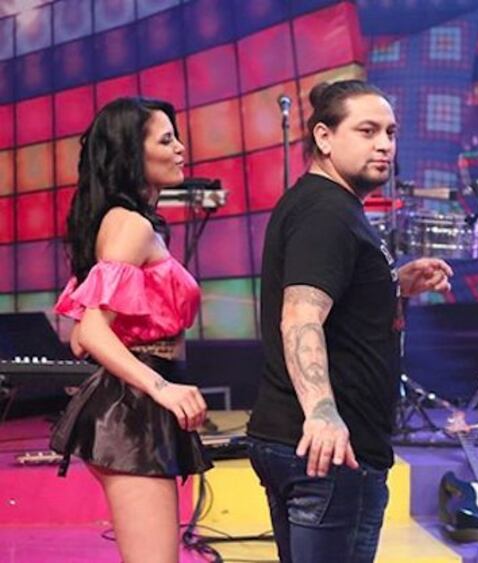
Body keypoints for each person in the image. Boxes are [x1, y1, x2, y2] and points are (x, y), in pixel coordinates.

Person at [247, 79, 453, 563]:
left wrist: (392, 285)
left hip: (313, 444)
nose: (384, 144)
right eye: (367, 131)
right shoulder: (327, 212)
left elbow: (333, 302)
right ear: (324, 137)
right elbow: (300, 315)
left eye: (390, 132)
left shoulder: (325, 205)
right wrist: (322, 412)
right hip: (330, 450)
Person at [49, 97, 212, 563]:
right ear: (131, 154)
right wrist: (162, 387)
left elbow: (79, 336)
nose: (180, 149)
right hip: (131, 414)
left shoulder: (122, 224)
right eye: (166, 140)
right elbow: (92, 334)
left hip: (131, 408)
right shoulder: (131, 227)